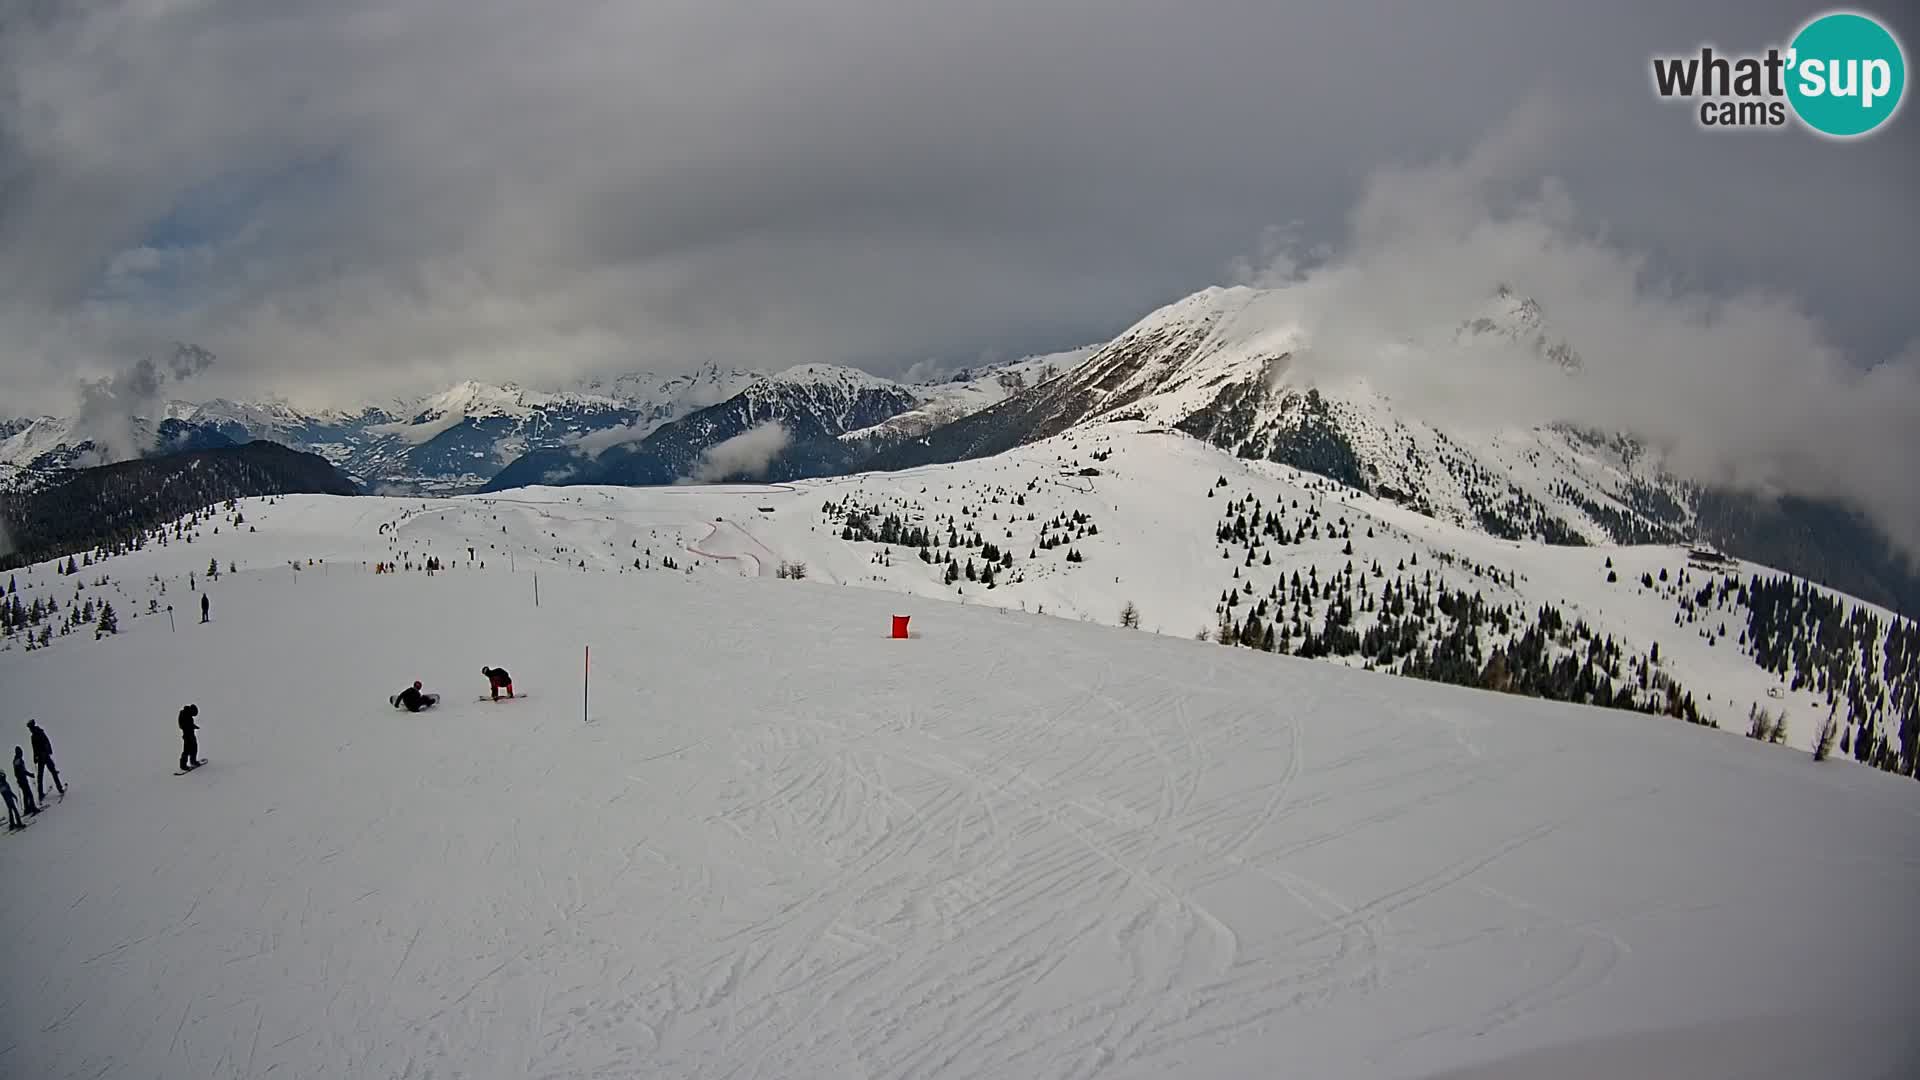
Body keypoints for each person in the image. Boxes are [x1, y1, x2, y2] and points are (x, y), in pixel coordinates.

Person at [27, 719, 63, 798]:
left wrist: (36, 757)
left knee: (42, 775)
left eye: (29, 728)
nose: (29, 730)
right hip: (44, 756)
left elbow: (41, 745)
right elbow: (43, 744)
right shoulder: (38, 733)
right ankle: (59, 788)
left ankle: (41, 794)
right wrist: (48, 752)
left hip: (43, 756)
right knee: (52, 772)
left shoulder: (36, 734)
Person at [11, 748, 38, 816]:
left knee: (26, 795)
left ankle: (27, 809)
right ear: (19, 753)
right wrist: (28, 775)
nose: (22, 754)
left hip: (22, 780)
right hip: (22, 780)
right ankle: (33, 808)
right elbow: (20, 771)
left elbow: (21, 771)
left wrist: (29, 775)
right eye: (21, 752)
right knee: (29, 794)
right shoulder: (18, 760)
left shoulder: (18, 760)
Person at [178, 704, 201, 771]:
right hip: (187, 735)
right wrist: (190, 727)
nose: (194, 716)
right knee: (186, 750)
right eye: (194, 714)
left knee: (194, 747)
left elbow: (189, 723)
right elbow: (182, 725)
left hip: (191, 734)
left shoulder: (188, 715)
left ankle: (193, 761)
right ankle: (183, 765)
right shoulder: (183, 714)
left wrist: (194, 726)